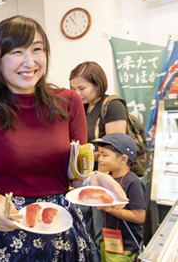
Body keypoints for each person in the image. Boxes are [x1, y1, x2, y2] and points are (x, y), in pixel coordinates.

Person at [0, 15, 128, 261]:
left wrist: (96, 180)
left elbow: (78, 176)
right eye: (17, 51)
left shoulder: (69, 101)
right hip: (10, 226)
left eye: (37, 49)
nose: (30, 61)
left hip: (63, 226)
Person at [70, 61, 128, 261]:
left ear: (98, 84)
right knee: (83, 230)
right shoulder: (82, 108)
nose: (77, 93)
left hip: (104, 179)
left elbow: (114, 149)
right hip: (84, 177)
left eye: (82, 88)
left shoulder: (113, 106)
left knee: (101, 232)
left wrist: (81, 156)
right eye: (73, 89)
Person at [94, 133, 146, 261]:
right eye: (99, 154)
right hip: (107, 241)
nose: (100, 159)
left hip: (126, 247)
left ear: (123, 159)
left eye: (104, 155)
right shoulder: (107, 179)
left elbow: (139, 217)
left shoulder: (133, 183)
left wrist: (110, 209)